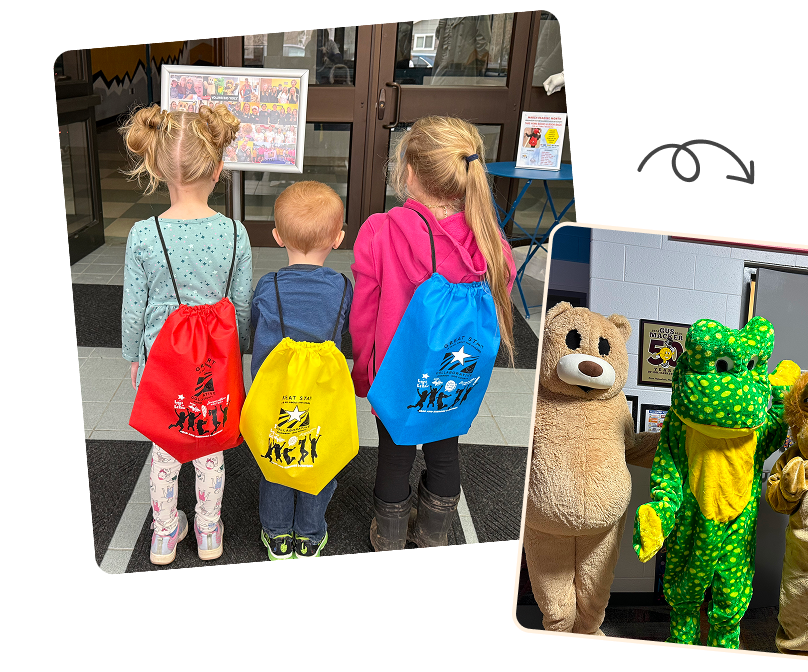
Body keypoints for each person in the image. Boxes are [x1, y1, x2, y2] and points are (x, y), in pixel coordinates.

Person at [350, 116, 516, 555]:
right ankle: (434, 535)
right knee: (445, 450)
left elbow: (363, 316)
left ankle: (388, 539)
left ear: (409, 172)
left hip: (395, 372)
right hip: (451, 376)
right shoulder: (490, 240)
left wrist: (363, 372)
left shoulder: (380, 231)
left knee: (395, 454)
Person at [120, 103, 252, 566]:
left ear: (157, 167)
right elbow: (240, 309)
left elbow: (133, 307)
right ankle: (209, 529)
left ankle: (163, 533)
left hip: (162, 360)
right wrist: (241, 354)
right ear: (219, 168)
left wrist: (131, 354)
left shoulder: (142, 234)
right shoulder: (236, 233)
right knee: (210, 448)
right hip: (212, 363)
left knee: (165, 450)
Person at [250, 181, 351, 561]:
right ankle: (309, 535)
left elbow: (255, 328)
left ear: (277, 236)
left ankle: (276, 534)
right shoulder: (342, 287)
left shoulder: (268, 285)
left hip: (276, 393)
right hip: (322, 395)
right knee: (317, 457)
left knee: (277, 456)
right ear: (338, 238)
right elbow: (343, 331)